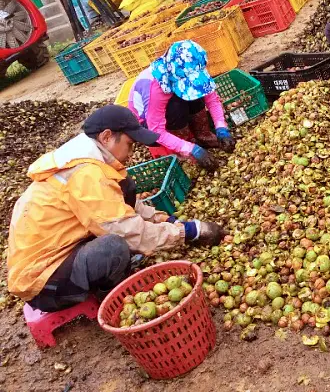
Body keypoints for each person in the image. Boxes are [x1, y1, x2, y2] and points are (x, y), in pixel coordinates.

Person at [6, 105, 226, 312]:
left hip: (64, 248)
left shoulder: (91, 159)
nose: (131, 151)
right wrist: (189, 231)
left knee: (126, 187)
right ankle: (110, 297)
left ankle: (104, 276)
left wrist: (165, 220)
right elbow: (125, 230)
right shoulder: (85, 174)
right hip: (43, 281)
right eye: (130, 144)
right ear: (107, 137)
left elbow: (119, 204)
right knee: (114, 247)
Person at [128, 40, 235, 171]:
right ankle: (185, 147)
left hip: (166, 110)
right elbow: (156, 131)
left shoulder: (193, 66)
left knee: (196, 93)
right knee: (176, 106)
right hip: (146, 125)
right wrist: (190, 149)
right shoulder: (155, 87)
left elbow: (211, 99)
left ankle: (203, 136)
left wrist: (221, 128)